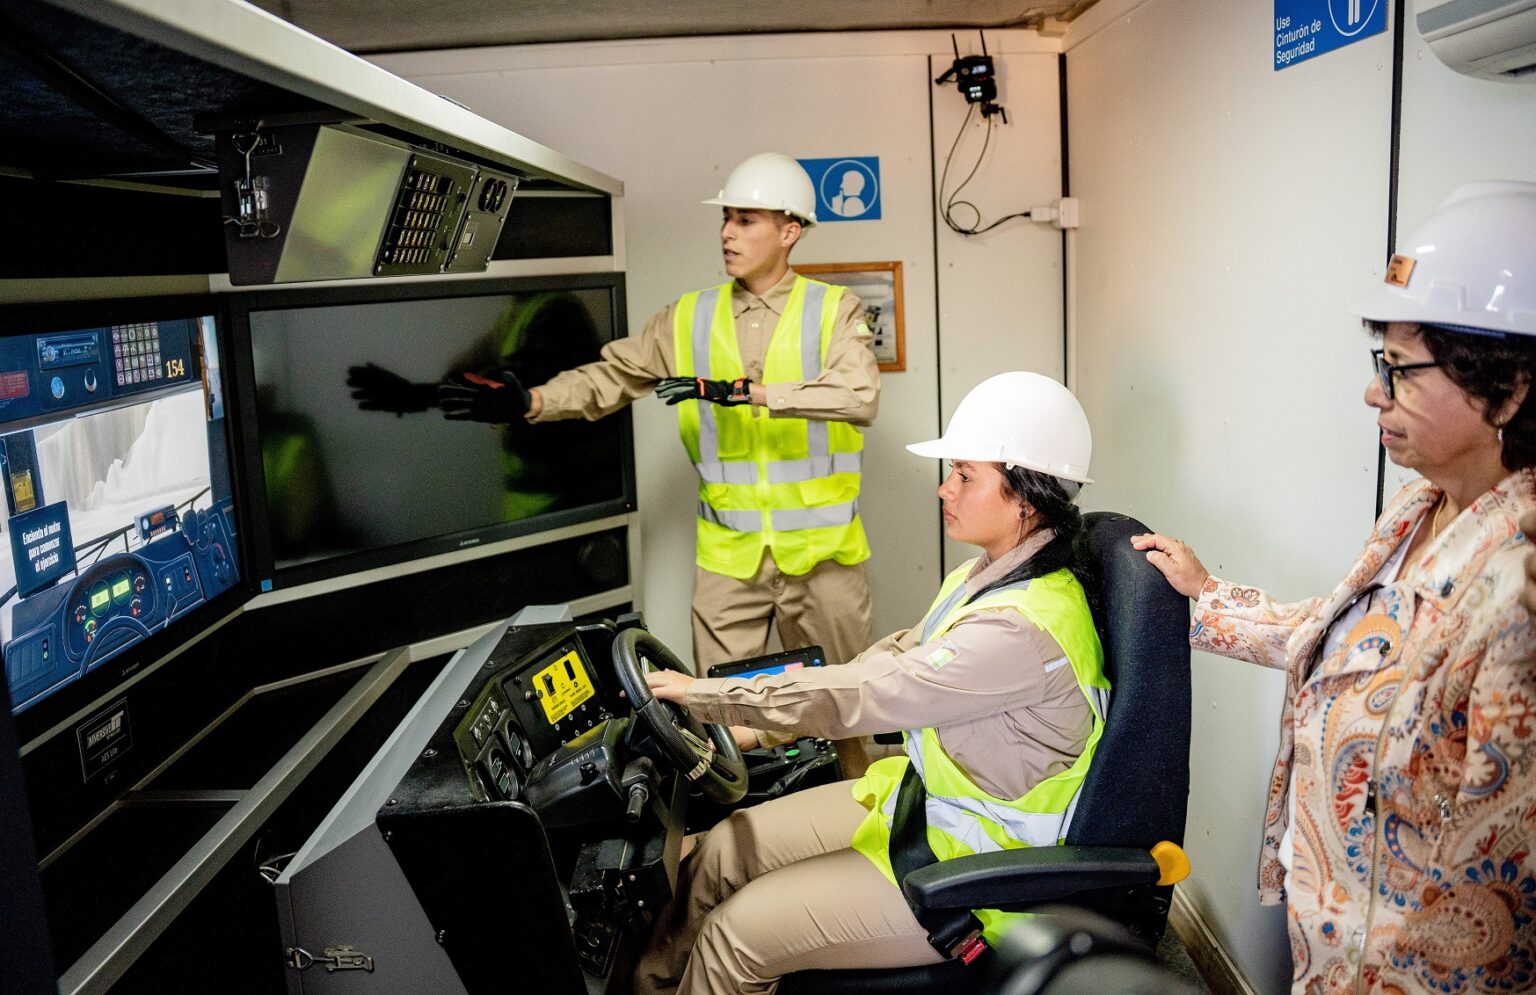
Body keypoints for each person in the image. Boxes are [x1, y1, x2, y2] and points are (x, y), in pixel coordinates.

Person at [1131, 181, 1536, 995]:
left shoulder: (1518, 589)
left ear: (1511, 385)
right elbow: (1361, 644)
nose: (1373, 393)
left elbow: (1497, 889)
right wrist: (1209, 598)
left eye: (1401, 371)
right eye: (1378, 365)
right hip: (1335, 941)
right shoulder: (1424, 504)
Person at [634, 371, 1108, 995]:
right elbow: (883, 664)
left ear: (1027, 496)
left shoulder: (1018, 629)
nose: (945, 487)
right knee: (723, 852)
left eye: (965, 475)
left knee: (734, 938)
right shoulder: (989, 574)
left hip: (973, 863)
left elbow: (865, 697)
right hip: (920, 806)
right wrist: (749, 730)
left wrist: (704, 697)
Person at [444, 152, 882, 773]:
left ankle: (859, 828)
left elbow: (859, 397)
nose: (728, 233)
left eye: (746, 220)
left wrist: (749, 394)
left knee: (846, 710)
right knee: (720, 717)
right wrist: (534, 401)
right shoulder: (689, 318)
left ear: (790, 231)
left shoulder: (834, 312)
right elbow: (611, 376)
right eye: (726, 219)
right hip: (730, 561)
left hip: (826, 557)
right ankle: (740, 843)